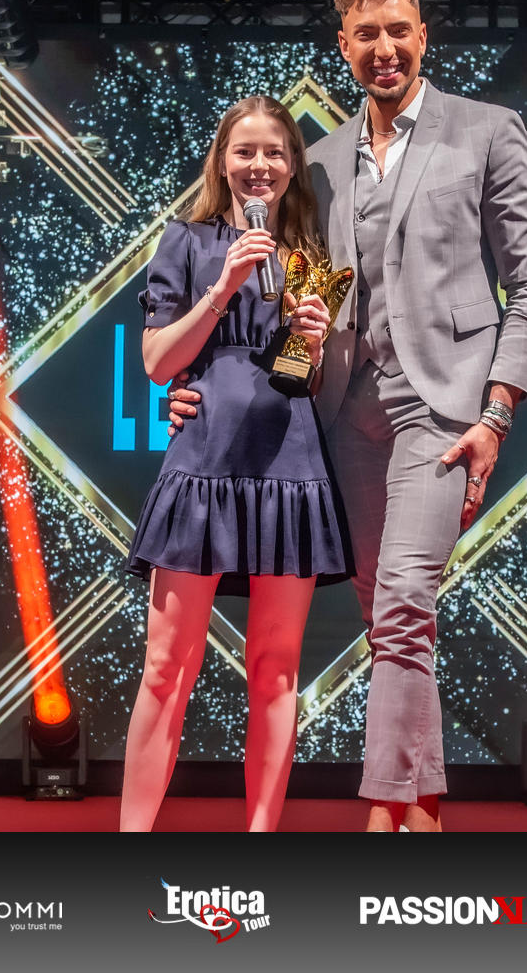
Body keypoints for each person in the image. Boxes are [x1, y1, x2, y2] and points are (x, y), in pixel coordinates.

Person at [168, 0, 527, 832]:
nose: (385, 48)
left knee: (408, 597)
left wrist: (496, 413)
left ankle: (383, 808)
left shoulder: (488, 131)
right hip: (341, 413)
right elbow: (282, 298)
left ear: (423, 36)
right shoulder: (320, 160)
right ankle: (423, 806)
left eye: (399, 31)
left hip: (443, 407)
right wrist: (199, 385)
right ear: (343, 46)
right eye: (367, 35)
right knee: (386, 616)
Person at [119, 95, 345, 832]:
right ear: (222, 161)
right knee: (166, 667)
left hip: (290, 466)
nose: (260, 166)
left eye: (275, 152)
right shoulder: (185, 241)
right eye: (245, 151)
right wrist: (221, 289)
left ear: (293, 166)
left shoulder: (310, 254)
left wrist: (312, 342)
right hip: (204, 461)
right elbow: (159, 363)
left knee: (276, 669)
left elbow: (305, 380)